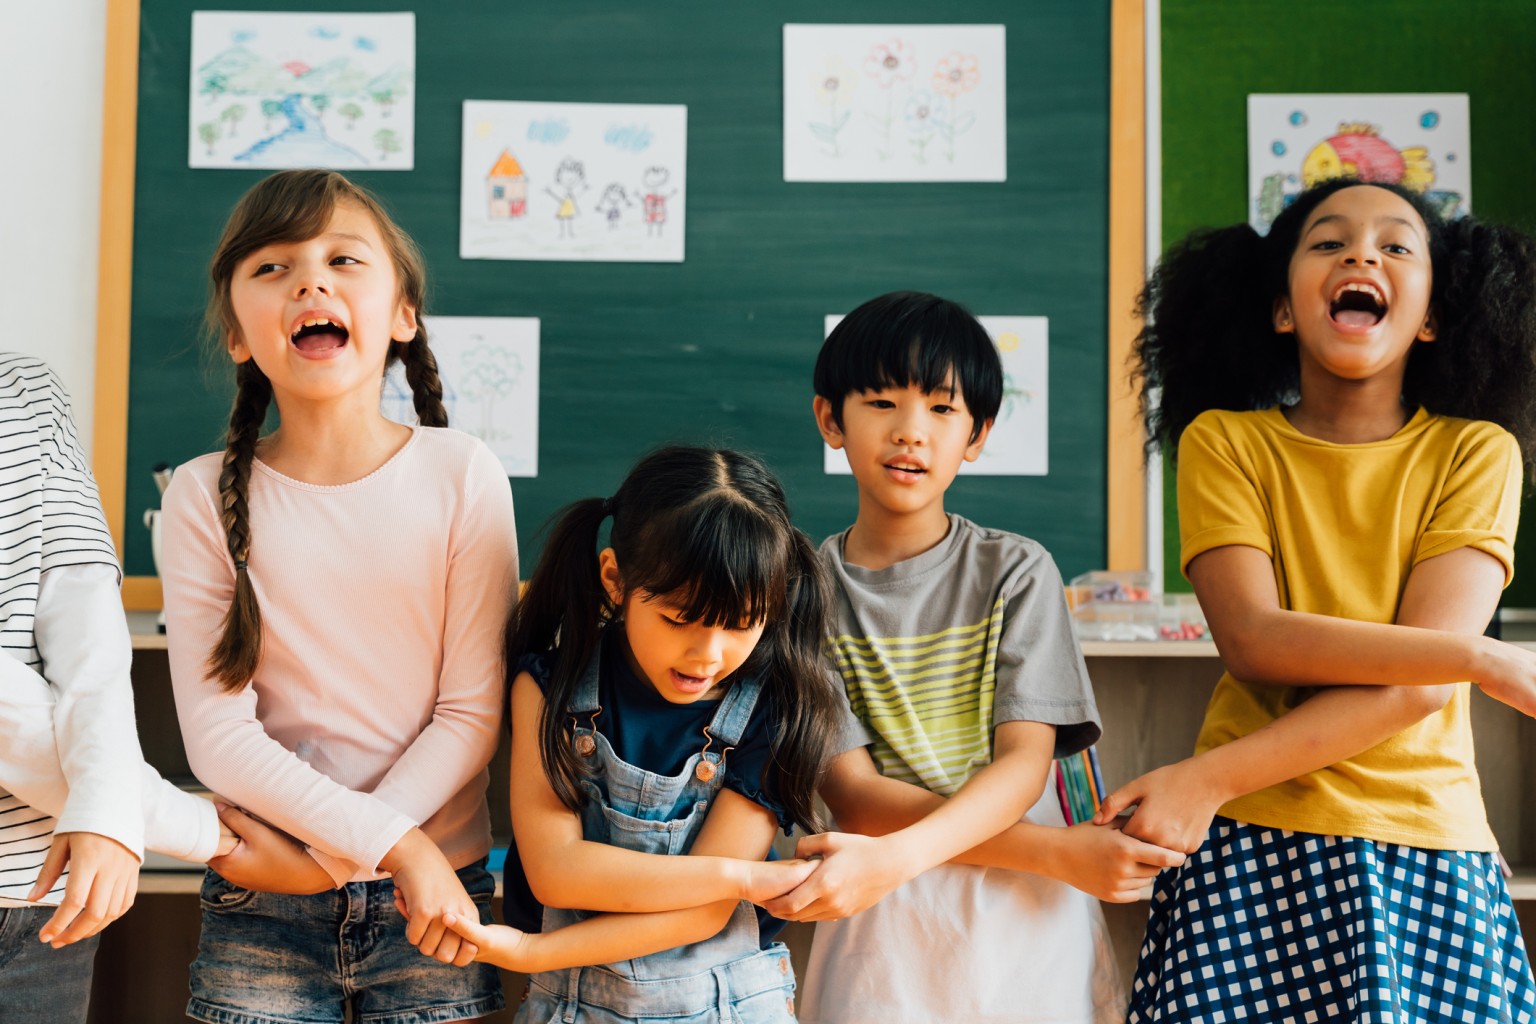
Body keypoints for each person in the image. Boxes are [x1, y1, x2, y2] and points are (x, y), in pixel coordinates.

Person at [1105, 178, 1536, 1022]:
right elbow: (1258, 640)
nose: (1361, 253)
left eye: (1396, 245)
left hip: (1422, 839)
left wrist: (1205, 779)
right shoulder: (1226, 441)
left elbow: (1415, 686)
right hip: (1246, 834)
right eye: (1328, 240)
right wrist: (1480, 656)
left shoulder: (1477, 453)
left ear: (1434, 317)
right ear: (1281, 310)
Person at [160, 169, 518, 1024]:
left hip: (430, 903)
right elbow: (217, 738)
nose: (311, 282)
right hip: (266, 912)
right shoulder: (200, 494)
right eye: (273, 268)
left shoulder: (461, 473)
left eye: (343, 260)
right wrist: (392, 847)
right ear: (238, 332)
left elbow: (470, 713)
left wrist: (337, 861)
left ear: (403, 316)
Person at [772, 291, 1147, 1024]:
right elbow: (853, 795)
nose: (912, 431)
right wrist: (1051, 853)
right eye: (882, 401)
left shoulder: (1017, 571)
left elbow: (1022, 766)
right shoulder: (803, 595)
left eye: (943, 411)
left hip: (1020, 914)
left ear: (977, 434)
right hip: (888, 917)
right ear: (830, 420)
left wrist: (921, 855)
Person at [438, 445, 842, 1023]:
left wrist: (537, 951)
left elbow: (704, 915)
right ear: (615, 580)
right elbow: (559, 873)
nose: (707, 655)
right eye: (679, 619)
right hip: (573, 1005)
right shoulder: (550, 689)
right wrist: (744, 878)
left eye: (742, 625)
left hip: (725, 1005)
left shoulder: (774, 709)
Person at [0, 352, 235, 1023]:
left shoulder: (25, 388)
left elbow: (86, 618)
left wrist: (108, 808)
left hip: (41, 893)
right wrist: (194, 827)